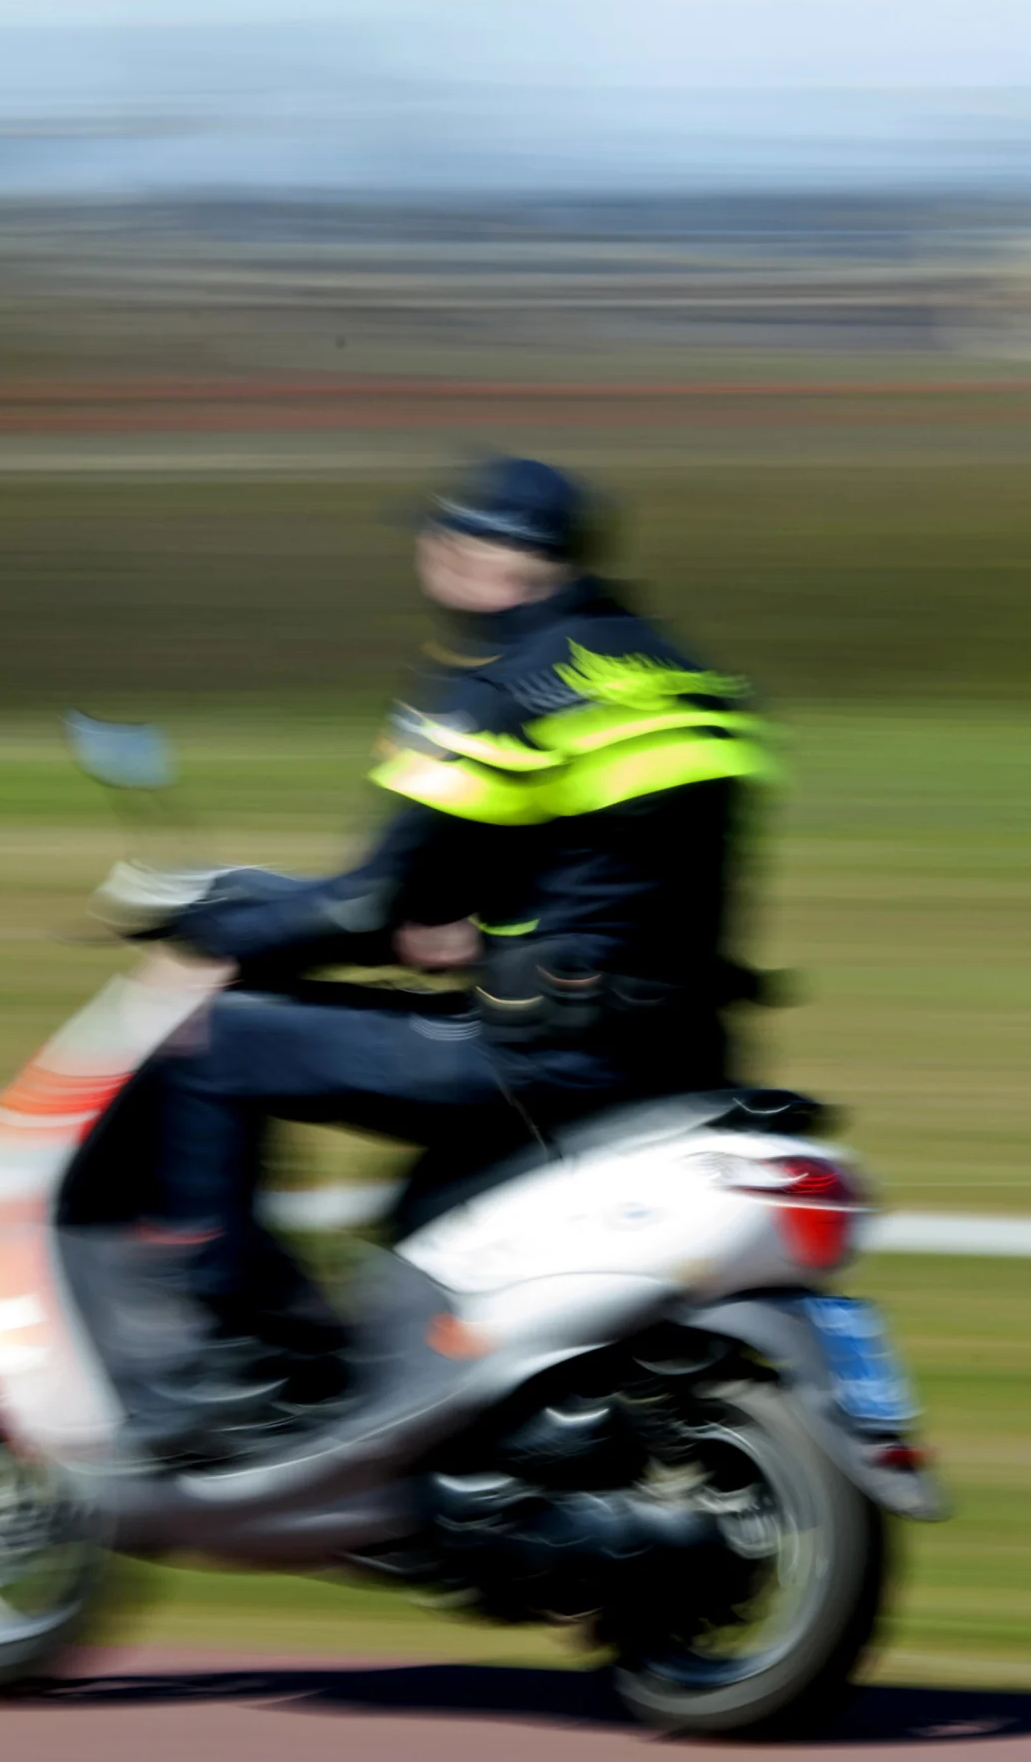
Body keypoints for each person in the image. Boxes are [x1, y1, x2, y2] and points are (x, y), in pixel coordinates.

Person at [91, 456, 775, 1429]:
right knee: (410, 1229)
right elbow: (612, 856)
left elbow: (368, 904)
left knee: (219, 1041)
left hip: (548, 1053)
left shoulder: (498, 688)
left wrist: (215, 931)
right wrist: (486, 923)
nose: (427, 554)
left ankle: (232, 1350)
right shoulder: (694, 679)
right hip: (680, 1048)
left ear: (481, 559)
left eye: (441, 538)